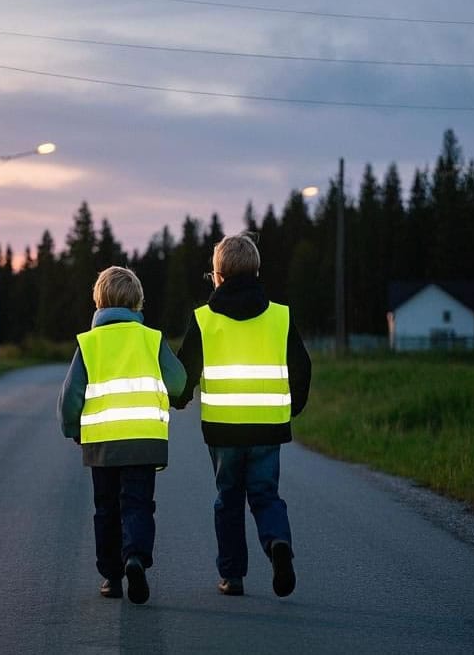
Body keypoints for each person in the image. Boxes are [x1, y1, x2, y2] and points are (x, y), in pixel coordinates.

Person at [173, 233, 311, 597]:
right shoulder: (279, 317)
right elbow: (301, 367)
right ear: (257, 271)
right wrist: (292, 406)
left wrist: (181, 398)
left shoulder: (204, 320)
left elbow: (186, 371)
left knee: (228, 500)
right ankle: (278, 543)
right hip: (268, 429)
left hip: (223, 432)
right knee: (266, 495)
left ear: (217, 275)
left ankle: (232, 576)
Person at [59, 266, 186, 605]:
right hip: (144, 441)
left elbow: (71, 395)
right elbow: (177, 383)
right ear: (138, 302)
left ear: (98, 301)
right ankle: (136, 557)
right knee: (139, 503)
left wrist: (73, 428)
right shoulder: (151, 339)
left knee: (106, 508)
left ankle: (112, 577)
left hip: (102, 445)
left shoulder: (89, 344)